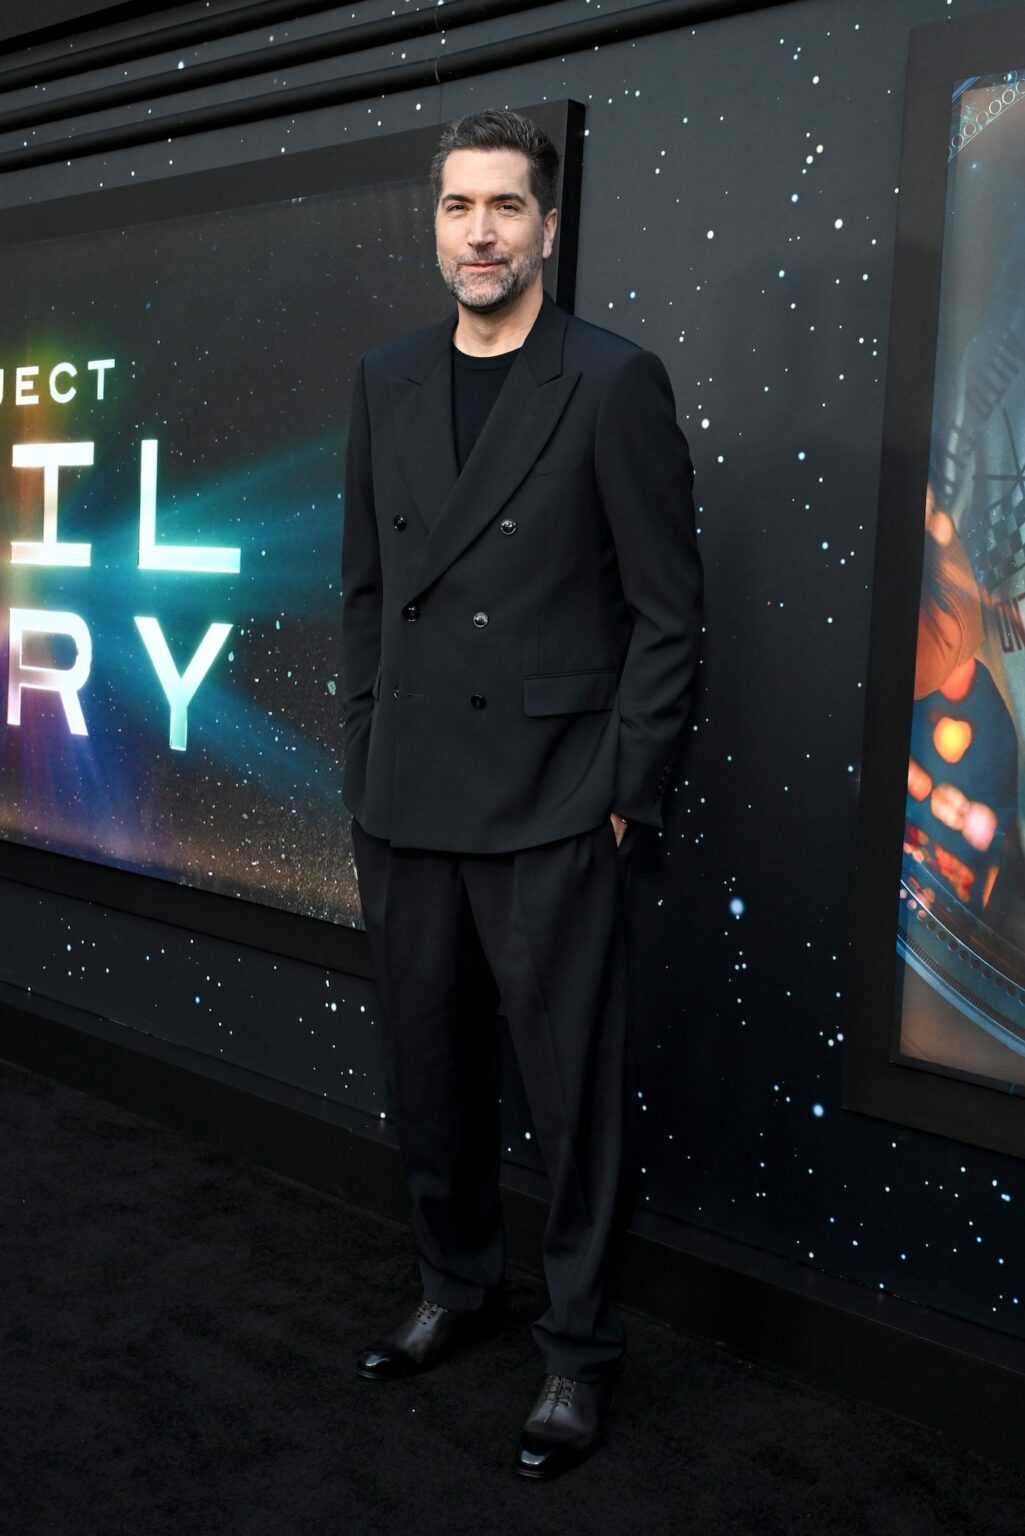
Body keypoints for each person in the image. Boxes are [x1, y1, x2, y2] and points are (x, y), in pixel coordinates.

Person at [340, 107, 702, 1480]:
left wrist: (623, 790)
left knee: (572, 1100)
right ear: (432, 226)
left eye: (504, 206)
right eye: (457, 206)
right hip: (408, 791)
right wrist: (365, 743)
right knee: (428, 1073)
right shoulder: (384, 376)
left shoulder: (611, 380)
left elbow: (668, 612)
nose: (479, 231)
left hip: (552, 798)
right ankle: (454, 1283)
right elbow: (366, 589)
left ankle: (577, 1352)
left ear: (548, 226)